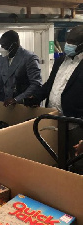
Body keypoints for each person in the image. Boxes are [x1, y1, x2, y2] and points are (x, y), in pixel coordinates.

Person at [25, 25, 83, 174]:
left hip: (76, 123)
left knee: (78, 162)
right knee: (56, 158)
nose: (67, 45)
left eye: (72, 42)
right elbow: (50, 85)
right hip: (53, 119)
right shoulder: (61, 60)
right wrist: (36, 97)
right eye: (67, 41)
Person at [0, 30, 42, 107]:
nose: (2, 48)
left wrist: (17, 99)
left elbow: (36, 84)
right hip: (8, 102)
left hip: (25, 103)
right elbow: (0, 79)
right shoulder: (2, 58)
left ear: (14, 45)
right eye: (1, 45)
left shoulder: (29, 58)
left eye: (4, 45)